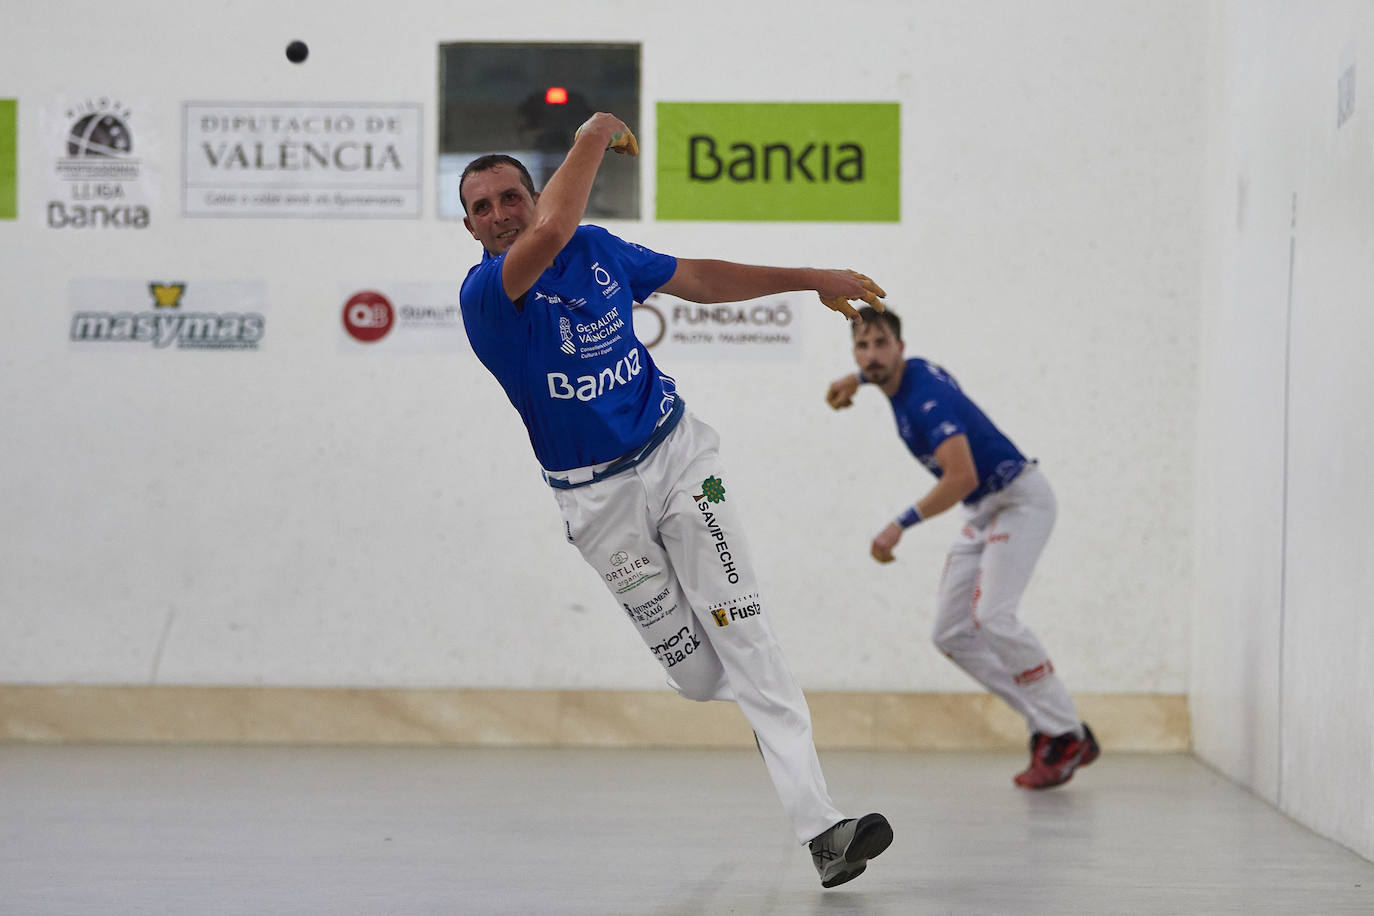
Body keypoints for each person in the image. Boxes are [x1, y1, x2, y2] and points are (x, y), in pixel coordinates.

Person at [457, 112, 892, 888]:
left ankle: (827, 831)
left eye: (511, 196)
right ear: (469, 227)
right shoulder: (489, 295)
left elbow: (701, 280)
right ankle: (751, 686)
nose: (501, 213)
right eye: (482, 206)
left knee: (747, 634)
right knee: (700, 675)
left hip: (680, 456)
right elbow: (551, 232)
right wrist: (594, 132)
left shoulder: (596, 249)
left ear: (532, 194)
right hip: (596, 506)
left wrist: (812, 278)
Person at [825, 306, 1099, 789]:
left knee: (995, 617)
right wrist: (858, 380)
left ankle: (1067, 734)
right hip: (983, 509)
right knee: (951, 633)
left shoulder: (926, 400)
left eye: (881, 344)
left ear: (900, 347)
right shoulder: (907, 373)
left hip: (1019, 499)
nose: (872, 355)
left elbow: (962, 476)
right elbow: (881, 375)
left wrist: (899, 524)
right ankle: (1051, 724)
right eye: (862, 347)